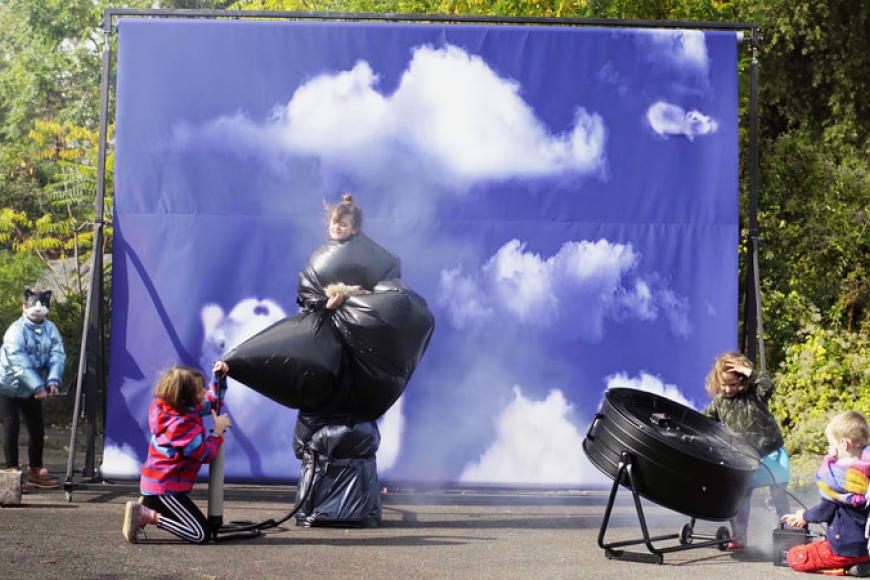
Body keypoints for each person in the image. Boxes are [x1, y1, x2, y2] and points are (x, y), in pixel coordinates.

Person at [122, 361, 231, 544]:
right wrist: (217, 433)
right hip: (165, 489)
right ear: (186, 397)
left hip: (160, 485)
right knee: (200, 534)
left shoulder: (168, 408)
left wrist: (218, 377)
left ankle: (148, 504)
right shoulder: (180, 426)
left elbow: (213, 402)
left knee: (200, 531)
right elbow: (204, 454)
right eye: (199, 391)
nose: (203, 393)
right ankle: (147, 515)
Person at [702, 351, 790, 549]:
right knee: (741, 499)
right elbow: (704, 421)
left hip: (771, 453)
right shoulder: (719, 402)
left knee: (778, 495)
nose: (727, 389)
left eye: (733, 385)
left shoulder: (755, 394)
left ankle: (786, 533)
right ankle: (739, 537)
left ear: (743, 380)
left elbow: (768, 385)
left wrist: (750, 372)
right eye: (723, 385)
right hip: (745, 458)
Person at [782, 411, 870, 575]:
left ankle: (844, 569)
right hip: (866, 549)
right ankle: (860, 565)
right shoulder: (866, 473)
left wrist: (803, 517)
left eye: (831, 444)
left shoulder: (838, 478)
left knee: (795, 556)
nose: (829, 450)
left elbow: (824, 511)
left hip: (842, 548)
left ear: (843, 444)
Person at [0, 289, 65, 489]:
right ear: (24, 305)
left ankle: (35, 470)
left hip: (32, 388)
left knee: (37, 429)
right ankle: (11, 471)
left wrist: (53, 381)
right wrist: (38, 386)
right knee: (12, 426)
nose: (38, 309)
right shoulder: (15, 330)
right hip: (7, 385)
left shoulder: (51, 329)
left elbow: (57, 355)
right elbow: (19, 363)